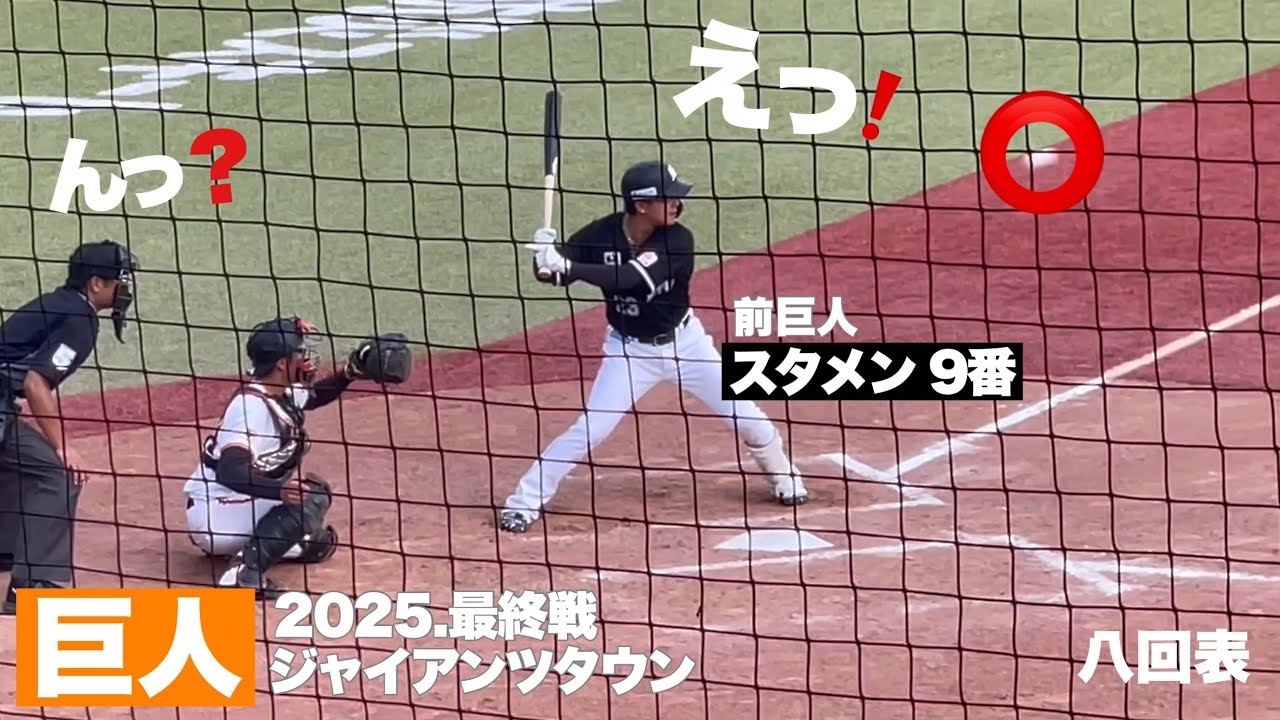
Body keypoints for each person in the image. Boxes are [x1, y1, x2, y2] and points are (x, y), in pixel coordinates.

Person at [498, 159, 809, 534]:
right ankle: (523, 503)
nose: (678, 204)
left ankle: (783, 475)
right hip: (629, 353)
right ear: (641, 205)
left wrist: (569, 267)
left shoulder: (677, 240)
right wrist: (545, 258)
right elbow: (551, 273)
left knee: (746, 417)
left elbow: (631, 279)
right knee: (591, 429)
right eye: (668, 198)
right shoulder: (601, 234)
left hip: (688, 346)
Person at [183, 317, 411, 599]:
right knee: (312, 498)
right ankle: (242, 575)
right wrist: (279, 491)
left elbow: (313, 396)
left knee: (318, 542)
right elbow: (229, 471)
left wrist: (349, 373)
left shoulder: (278, 390)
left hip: (233, 504)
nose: (305, 358)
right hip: (215, 512)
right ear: (281, 363)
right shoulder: (251, 408)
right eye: (299, 352)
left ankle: (248, 547)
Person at [0, 239, 140, 614]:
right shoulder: (80, 319)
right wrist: (63, 446)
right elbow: (36, 384)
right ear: (96, 284)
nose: (125, 290)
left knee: (20, 457)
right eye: (121, 281)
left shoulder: (59, 303)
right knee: (59, 472)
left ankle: (8, 548)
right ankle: (31, 586)